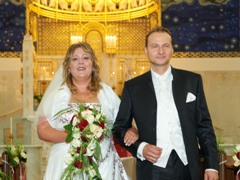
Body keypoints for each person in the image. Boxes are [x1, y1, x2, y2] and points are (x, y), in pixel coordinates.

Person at [112, 26, 219, 180]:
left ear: (172, 50)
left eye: (165, 46)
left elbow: (204, 127)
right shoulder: (133, 87)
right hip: (152, 169)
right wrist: (141, 148)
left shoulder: (192, 81)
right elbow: (119, 128)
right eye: (155, 46)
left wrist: (211, 166)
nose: (160, 51)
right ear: (146, 51)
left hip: (188, 167)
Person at [36, 42, 132, 180]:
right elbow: (42, 130)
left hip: (103, 163)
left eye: (85, 58)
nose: (81, 62)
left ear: (93, 63)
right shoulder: (57, 95)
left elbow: (124, 123)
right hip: (65, 163)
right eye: (75, 59)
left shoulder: (106, 93)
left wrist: (132, 131)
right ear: (68, 66)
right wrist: (76, 136)